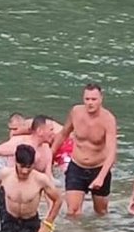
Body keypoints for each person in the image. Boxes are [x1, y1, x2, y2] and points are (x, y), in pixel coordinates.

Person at [49, 83, 118, 217]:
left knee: (101, 212)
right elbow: (63, 134)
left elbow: (111, 153)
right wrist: (50, 155)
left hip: (99, 168)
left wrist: (101, 177)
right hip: (77, 166)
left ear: (101, 99)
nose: (90, 103)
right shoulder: (76, 112)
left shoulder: (108, 119)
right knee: (72, 212)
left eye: (94, 99)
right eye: (87, 99)